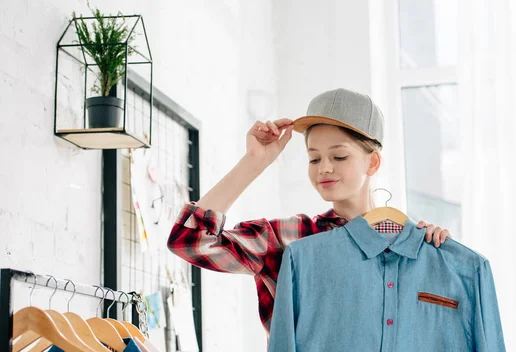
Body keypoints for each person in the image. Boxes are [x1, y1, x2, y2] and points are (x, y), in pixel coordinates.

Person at [167, 88, 452, 333]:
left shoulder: (410, 243)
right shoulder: (290, 239)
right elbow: (190, 241)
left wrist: (431, 251)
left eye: (339, 156)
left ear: (373, 163)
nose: (324, 168)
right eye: (314, 158)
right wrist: (254, 163)